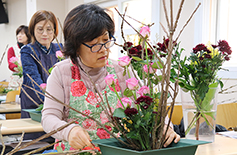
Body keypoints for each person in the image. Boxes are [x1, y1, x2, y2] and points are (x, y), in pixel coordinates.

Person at [41, 4, 180, 151]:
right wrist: (69, 131)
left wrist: (164, 126)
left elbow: (148, 104)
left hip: (118, 151)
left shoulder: (121, 69)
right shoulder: (61, 73)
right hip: (75, 151)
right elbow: (49, 117)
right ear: (76, 46)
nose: (103, 49)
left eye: (106, 40)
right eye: (94, 44)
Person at [20, 10, 63, 141]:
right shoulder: (28, 50)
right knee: (36, 143)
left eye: (49, 29)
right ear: (33, 30)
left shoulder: (60, 49)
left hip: (57, 103)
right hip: (35, 104)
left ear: (55, 31)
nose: (45, 34)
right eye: (40, 29)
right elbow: (34, 80)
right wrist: (55, 103)